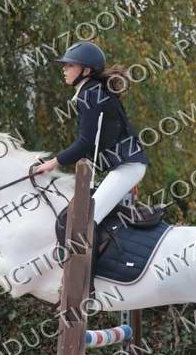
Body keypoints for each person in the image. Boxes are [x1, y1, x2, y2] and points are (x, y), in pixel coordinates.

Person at [33, 41, 150, 252]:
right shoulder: (91, 91)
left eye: (70, 65)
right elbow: (91, 145)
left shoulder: (90, 94)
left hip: (128, 167)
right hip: (125, 165)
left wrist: (52, 163)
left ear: (86, 71)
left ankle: (92, 271)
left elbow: (85, 142)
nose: (64, 69)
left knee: (86, 222)